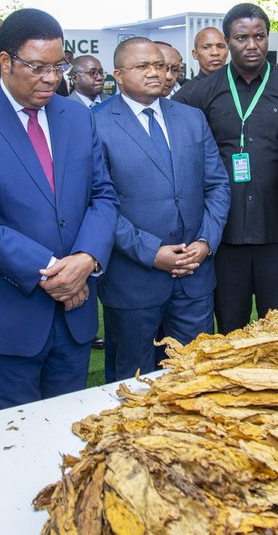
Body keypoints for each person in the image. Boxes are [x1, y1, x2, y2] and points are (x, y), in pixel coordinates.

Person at [0, 9, 116, 411]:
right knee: (15, 441)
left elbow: (103, 195)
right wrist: (54, 270)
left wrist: (86, 260)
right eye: (38, 67)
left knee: (71, 435)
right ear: (5, 62)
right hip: (6, 318)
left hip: (75, 312)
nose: (52, 78)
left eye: (59, 66)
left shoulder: (76, 116)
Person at [93, 38, 229, 380]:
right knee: (132, 381)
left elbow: (217, 186)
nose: (155, 72)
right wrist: (151, 252)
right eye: (142, 66)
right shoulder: (95, 122)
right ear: (118, 75)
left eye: (160, 65)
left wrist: (206, 243)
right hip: (134, 280)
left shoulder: (191, 118)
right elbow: (96, 203)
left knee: (194, 377)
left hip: (194, 278)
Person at [174, 4, 278, 334]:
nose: (252, 45)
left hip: (277, 230)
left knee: (276, 329)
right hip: (222, 234)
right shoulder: (198, 93)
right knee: (230, 328)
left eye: (259, 36)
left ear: (268, 38)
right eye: (242, 37)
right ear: (228, 41)